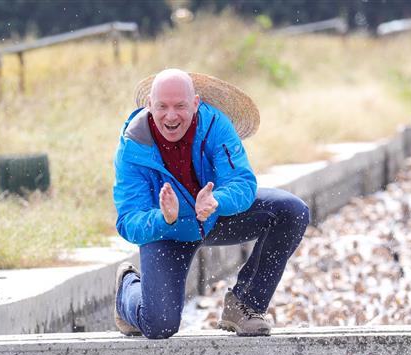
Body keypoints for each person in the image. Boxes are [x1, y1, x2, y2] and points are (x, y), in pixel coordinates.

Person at [113, 68, 309, 339]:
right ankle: (128, 288)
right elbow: (127, 221)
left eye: (180, 106)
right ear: (149, 106)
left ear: (195, 104)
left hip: (215, 217)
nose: (171, 116)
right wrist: (163, 218)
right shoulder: (131, 147)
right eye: (162, 107)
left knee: (292, 211)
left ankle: (244, 305)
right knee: (159, 326)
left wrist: (217, 200)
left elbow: (243, 183)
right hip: (167, 231)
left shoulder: (216, 125)